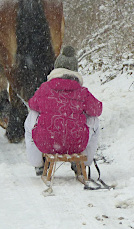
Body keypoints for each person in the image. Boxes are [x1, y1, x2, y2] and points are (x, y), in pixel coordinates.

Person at [24, 46, 102, 176]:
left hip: (47, 143)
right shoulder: (82, 92)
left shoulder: (45, 88)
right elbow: (97, 110)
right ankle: (84, 162)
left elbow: (32, 104)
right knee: (94, 120)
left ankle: (38, 163)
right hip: (76, 144)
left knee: (32, 115)